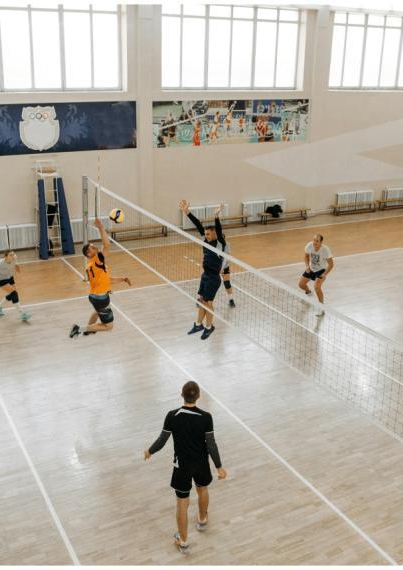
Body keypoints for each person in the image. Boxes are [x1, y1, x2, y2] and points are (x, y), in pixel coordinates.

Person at [144, 381, 226, 554]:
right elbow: (211, 445)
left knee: (182, 502)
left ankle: (183, 541)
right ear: (198, 396)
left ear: (182, 395)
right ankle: (202, 520)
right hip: (201, 463)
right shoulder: (206, 417)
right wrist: (219, 467)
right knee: (202, 489)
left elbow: (161, 441)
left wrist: (150, 451)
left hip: (182, 466)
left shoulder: (172, 416)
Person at [70, 218, 132, 337]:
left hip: (94, 296)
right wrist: (101, 227)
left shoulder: (90, 265)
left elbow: (106, 280)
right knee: (109, 326)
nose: (96, 248)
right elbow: (107, 245)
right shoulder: (97, 260)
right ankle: (79, 329)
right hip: (101, 298)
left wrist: (122, 279)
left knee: (98, 311)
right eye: (93, 248)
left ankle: (88, 330)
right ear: (89, 254)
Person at [181, 201, 226, 339]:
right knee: (201, 300)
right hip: (205, 275)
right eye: (205, 234)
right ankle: (198, 324)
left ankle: (209, 326)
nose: (205, 236)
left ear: (214, 235)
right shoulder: (205, 241)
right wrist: (187, 212)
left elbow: (218, 229)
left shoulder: (219, 244)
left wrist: (216, 216)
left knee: (208, 303)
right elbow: (198, 225)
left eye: (208, 234)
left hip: (213, 278)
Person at [0, 251, 30, 321]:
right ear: (6, 257)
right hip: (0, 279)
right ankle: (22, 313)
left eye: (13, 254)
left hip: (9, 276)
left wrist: (16, 265)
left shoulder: (14, 258)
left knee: (13, 294)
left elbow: (15, 261)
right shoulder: (0, 263)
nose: (13, 256)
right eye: (10, 255)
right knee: (14, 293)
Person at [298, 234, 334, 316]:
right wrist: (307, 266)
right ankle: (309, 293)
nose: (314, 242)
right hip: (311, 268)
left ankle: (321, 308)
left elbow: (331, 264)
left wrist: (325, 274)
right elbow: (306, 256)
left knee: (317, 287)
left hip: (321, 270)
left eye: (317, 241)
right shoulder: (309, 246)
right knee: (301, 284)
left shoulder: (325, 250)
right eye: (314, 240)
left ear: (321, 242)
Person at [221, 241, 235, 308]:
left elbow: (225, 258)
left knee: (227, 282)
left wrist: (221, 268)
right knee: (208, 281)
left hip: (225, 267)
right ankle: (202, 298)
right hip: (214, 266)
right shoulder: (213, 243)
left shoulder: (227, 245)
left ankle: (231, 300)